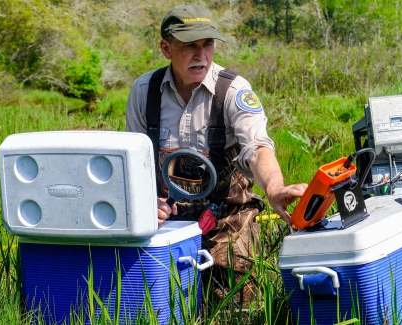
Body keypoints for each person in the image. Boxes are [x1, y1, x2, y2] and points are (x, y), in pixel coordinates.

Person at [126, 3, 307, 302]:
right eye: (189, 46)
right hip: (166, 223)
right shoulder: (144, 91)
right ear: (166, 48)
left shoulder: (233, 91)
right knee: (157, 304)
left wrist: (274, 188)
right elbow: (134, 163)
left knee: (239, 308)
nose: (201, 56)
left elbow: (257, 146)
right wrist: (146, 203)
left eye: (207, 44)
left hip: (228, 220)